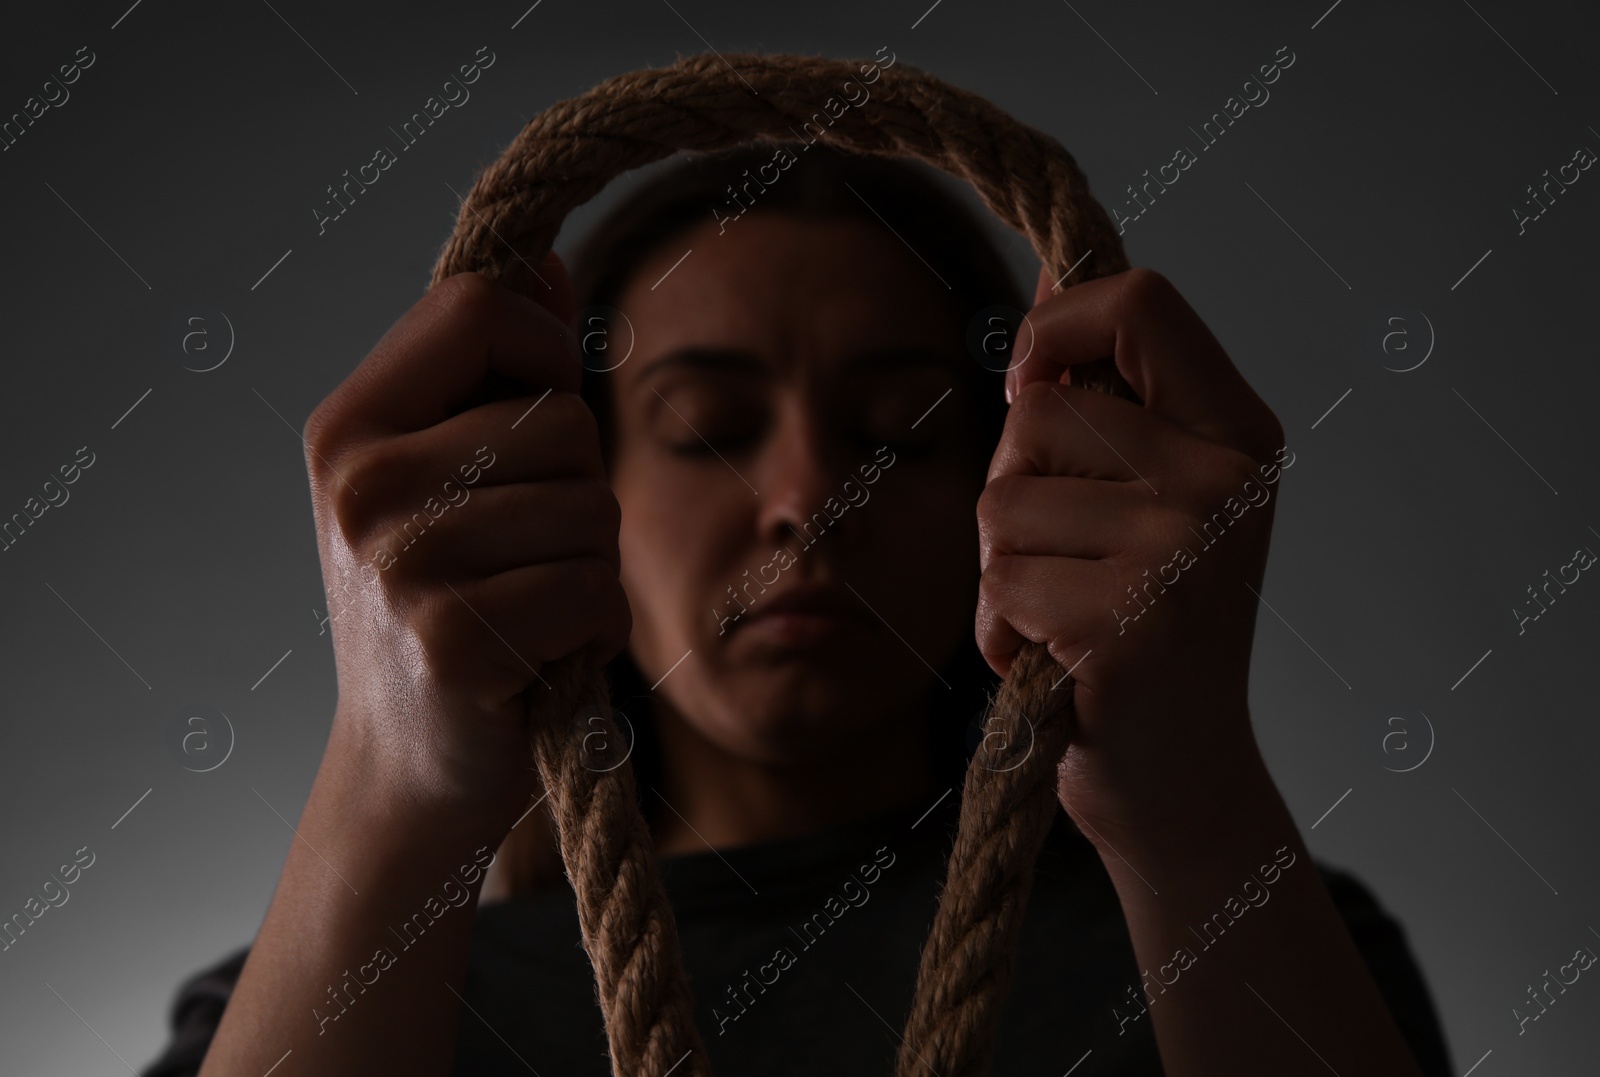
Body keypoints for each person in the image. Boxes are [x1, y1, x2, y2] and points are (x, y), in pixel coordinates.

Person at [141, 141, 1453, 1077]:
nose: (808, 499)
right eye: (707, 428)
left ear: (1018, 482)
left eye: (899, 431)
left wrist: (1193, 793)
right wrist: (395, 780)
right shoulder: (341, 990)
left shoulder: (1249, 931)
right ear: (573, 484)